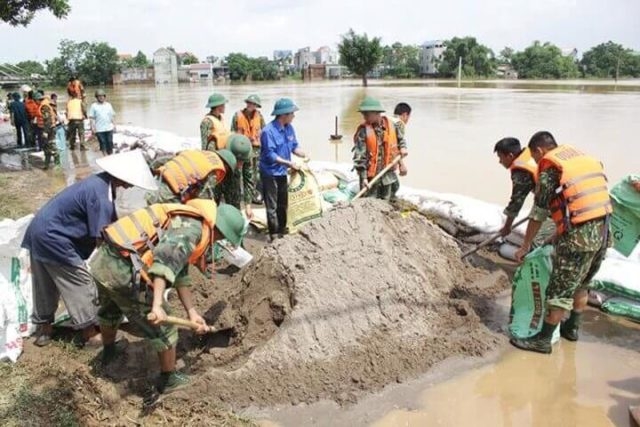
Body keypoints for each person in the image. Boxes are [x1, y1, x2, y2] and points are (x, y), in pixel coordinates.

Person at [90, 200, 245, 394]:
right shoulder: (192, 232)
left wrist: (192, 313)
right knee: (166, 328)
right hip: (123, 272)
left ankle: (109, 352)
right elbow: (164, 263)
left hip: (103, 262)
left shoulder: (188, 218)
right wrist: (157, 305)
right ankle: (169, 379)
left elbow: (180, 274)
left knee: (111, 309)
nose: (217, 243)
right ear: (220, 232)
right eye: (221, 238)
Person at [21, 150, 157, 347]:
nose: (131, 185)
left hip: (38, 231)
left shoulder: (98, 183)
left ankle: (44, 330)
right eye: (131, 180)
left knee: (45, 284)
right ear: (122, 176)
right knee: (81, 283)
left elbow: (110, 225)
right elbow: (102, 238)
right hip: (55, 239)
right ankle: (90, 334)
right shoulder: (101, 196)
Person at [511, 131, 612, 354]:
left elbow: (538, 213)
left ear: (539, 150)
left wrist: (525, 246)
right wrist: (556, 234)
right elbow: (580, 203)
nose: (537, 164)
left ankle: (542, 341)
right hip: (603, 231)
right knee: (582, 282)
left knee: (559, 288)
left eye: (536, 159)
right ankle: (572, 329)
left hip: (578, 239)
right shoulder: (581, 159)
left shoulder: (550, 170)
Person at [260, 98, 308, 241]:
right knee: (272, 205)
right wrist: (289, 164)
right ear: (283, 115)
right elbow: (270, 155)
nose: (294, 116)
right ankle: (274, 234)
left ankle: (283, 230)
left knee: (283, 203)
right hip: (270, 172)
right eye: (292, 113)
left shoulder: (289, 128)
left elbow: (294, 146)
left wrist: (303, 153)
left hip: (282, 172)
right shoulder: (268, 131)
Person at [353, 97, 408, 201]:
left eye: (367, 114)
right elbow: (360, 157)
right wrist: (364, 177)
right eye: (363, 114)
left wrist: (403, 151)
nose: (364, 117)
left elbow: (400, 141)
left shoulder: (392, 126)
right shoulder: (363, 131)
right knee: (369, 203)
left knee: (388, 201)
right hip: (370, 178)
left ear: (377, 113)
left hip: (388, 174)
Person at [145, 148, 238, 204]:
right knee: (182, 221)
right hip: (166, 196)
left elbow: (165, 159)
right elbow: (204, 198)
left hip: (155, 184)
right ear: (226, 167)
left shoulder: (200, 153)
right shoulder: (214, 170)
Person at [231, 95, 266, 204]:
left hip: (256, 150)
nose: (251, 105)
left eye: (253, 104)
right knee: (239, 173)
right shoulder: (237, 115)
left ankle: (253, 196)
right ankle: (238, 195)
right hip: (241, 149)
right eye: (249, 103)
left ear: (256, 106)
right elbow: (232, 133)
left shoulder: (259, 116)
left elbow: (264, 132)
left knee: (255, 175)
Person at [214, 134, 255, 218]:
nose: (240, 165)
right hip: (217, 174)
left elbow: (248, 179)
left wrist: (248, 205)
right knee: (212, 209)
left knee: (235, 212)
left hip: (233, 176)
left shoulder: (246, 153)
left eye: (242, 162)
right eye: (237, 161)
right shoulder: (216, 147)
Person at [34, 92, 60, 169]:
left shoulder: (44, 106)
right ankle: (47, 164)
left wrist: (45, 131)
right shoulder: (44, 104)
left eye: (35, 101)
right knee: (46, 148)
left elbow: (47, 120)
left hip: (49, 129)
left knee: (52, 146)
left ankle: (57, 164)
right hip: (46, 128)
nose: (35, 102)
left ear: (38, 100)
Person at [89, 89, 116, 155]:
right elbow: (92, 118)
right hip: (99, 129)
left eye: (102, 96)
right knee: (102, 142)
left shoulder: (108, 105)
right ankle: (105, 156)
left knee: (110, 142)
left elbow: (112, 116)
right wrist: (92, 128)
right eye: (99, 96)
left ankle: (110, 155)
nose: (101, 97)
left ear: (105, 96)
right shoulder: (94, 106)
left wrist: (114, 125)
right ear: (96, 97)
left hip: (109, 127)